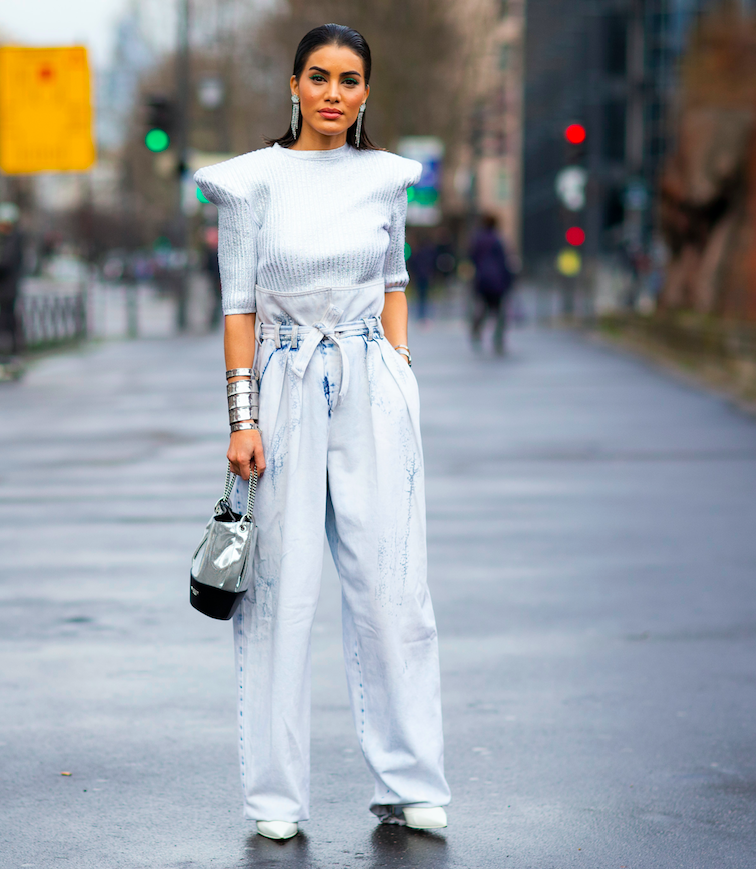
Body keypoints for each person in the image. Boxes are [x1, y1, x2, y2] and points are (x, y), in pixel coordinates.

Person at [195, 23, 450, 841]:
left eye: (348, 79)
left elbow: (395, 280)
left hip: (372, 384)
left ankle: (410, 778)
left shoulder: (386, 178)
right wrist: (242, 420)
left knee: (392, 585)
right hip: (282, 385)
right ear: (293, 85)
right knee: (279, 596)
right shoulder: (251, 184)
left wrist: (400, 373)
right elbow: (237, 310)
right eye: (318, 76)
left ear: (366, 91)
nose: (333, 92)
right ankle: (276, 796)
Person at [469, 212, 514, 355]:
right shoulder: (497, 240)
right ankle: (498, 339)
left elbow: (472, 258)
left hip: (482, 280)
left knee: (483, 309)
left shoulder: (477, 240)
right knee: (500, 312)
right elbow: (503, 262)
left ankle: (476, 332)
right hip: (497, 281)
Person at [0, 203, 24, 356]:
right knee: (8, 317)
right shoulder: (10, 240)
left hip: (6, 287)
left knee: (6, 319)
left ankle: (8, 351)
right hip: (7, 286)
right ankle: (12, 349)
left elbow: (5, 263)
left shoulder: (11, 240)